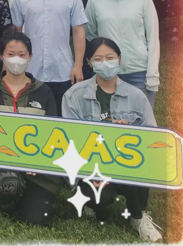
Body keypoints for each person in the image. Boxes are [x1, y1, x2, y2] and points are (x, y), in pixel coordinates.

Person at [62, 38, 162, 242]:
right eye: (98, 59)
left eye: (110, 57)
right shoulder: (74, 96)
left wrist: (129, 133)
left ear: (119, 59)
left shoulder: (136, 96)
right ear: (89, 63)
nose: (105, 63)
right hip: (92, 166)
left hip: (126, 163)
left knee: (138, 166)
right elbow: (69, 141)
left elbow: (151, 138)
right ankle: (92, 204)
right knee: (100, 198)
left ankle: (139, 216)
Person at [0, 31, 61, 225]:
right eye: (11, 54)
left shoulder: (44, 91)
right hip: (1, 160)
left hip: (37, 166)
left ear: (30, 56)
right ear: (1, 55)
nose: (16, 59)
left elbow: (53, 134)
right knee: (10, 184)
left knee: (37, 219)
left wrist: (36, 162)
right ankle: (1, 206)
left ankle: (25, 200)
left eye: (22, 54)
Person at [11, 0, 87, 107]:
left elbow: (78, 31)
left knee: (62, 117)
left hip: (63, 70)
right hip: (30, 71)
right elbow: (16, 33)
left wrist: (78, 65)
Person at [85, 0, 159, 106]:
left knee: (141, 118)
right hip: (108, 72)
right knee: (110, 118)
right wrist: (103, 58)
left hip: (139, 72)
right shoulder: (95, 0)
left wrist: (152, 74)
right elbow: (90, 33)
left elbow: (153, 38)